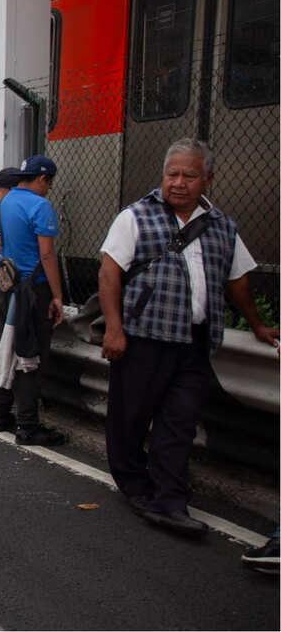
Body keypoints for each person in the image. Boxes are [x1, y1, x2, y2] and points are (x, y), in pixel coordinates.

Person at [98, 138, 278, 537]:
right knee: (130, 418)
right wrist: (114, 328)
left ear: (208, 179)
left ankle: (169, 500)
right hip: (144, 338)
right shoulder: (136, 217)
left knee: (179, 423)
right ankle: (132, 482)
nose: (178, 182)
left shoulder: (222, 226)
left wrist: (257, 324)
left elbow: (238, 280)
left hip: (195, 342)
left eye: (189, 175)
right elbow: (109, 273)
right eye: (172, 174)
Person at [0, 156, 68, 445]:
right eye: (49, 183)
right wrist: (57, 296)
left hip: (5, 286)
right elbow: (47, 255)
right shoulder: (40, 206)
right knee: (29, 355)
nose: (49, 189)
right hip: (33, 291)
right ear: (43, 179)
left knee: (2, 347)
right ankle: (27, 424)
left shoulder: (1, 204)